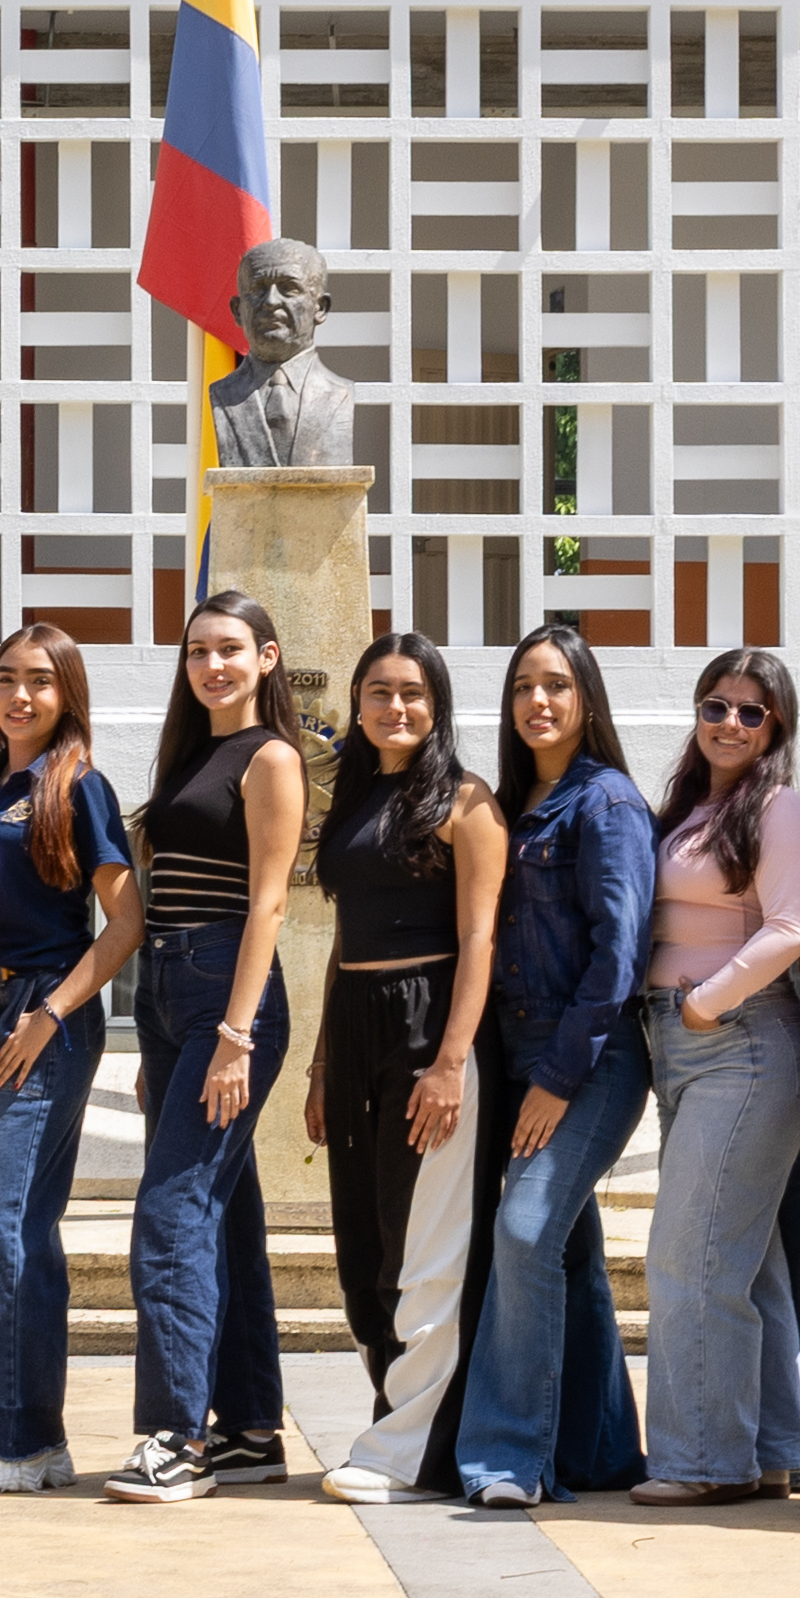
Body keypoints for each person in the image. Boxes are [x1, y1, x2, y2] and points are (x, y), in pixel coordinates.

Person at [104, 591, 310, 1503]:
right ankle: (251, 1429)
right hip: (170, 986)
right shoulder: (194, 750)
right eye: (197, 651)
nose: (212, 665)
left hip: (231, 985)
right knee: (225, 1213)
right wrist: (165, 1032)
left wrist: (234, 1033)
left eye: (230, 649)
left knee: (172, 1209)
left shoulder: (269, 757)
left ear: (267, 658)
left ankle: (173, 1436)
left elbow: (269, 900)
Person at [452, 627, 660, 1513]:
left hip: (588, 1057)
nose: (539, 701)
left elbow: (618, 955)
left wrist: (558, 1076)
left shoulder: (605, 803)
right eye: (523, 687)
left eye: (557, 685)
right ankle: (606, 1449)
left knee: (526, 1230)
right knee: (570, 1252)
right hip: (514, 1050)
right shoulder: (510, 800)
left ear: (586, 699)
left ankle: (508, 1455)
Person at [304, 635, 507, 1506]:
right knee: (363, 1242)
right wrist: (319, 1060)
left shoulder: (467, 802)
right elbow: (342, 935)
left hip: (431, 1028)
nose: (395, 707)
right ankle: (396, 1412)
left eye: (412, 694)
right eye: (378, 691)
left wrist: (453, 1060)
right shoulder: (350, 795)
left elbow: (480, 940)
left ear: (438, 705)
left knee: (426, 1244)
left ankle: (411, 1454)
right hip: (354, 1026)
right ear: (356, 702)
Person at [0, 625, 140, 1495]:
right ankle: (36, 1437)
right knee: (18, 1227)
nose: (20, 696)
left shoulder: (81, 785)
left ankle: (9, 1440)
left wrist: (51, 1014)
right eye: (7, 680)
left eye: (40, 682)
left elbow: (126, 923)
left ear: (67, 696)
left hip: (40, 1012)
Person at [633, 646, 800, 1506]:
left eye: (752, 711)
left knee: (689, 1256)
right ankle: (773, 1449)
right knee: (746, 1261)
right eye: (717, 705)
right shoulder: (690, 807)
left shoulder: (778, 808)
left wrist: (706, 1002)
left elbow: (789, 925)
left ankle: (703, 1461)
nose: (731, 723)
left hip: (739, 1043)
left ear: (775, 724)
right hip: (683, 1045)